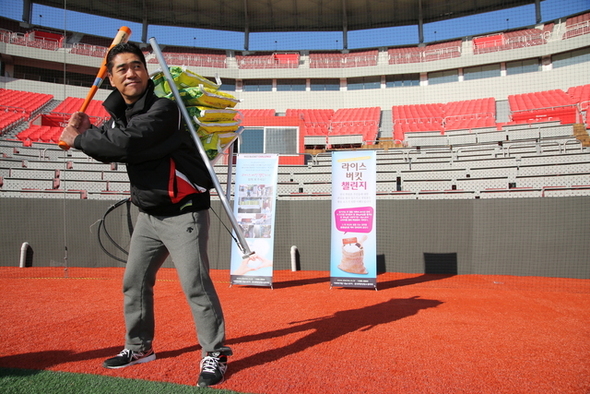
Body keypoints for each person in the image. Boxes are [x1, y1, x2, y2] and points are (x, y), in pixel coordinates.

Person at [59, 42, 232, 388]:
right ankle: (139, 348)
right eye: (121, 68)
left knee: (195, 285)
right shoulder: (121, 115)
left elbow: (124, 144)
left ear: (146, 71)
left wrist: (80, 138)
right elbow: (115, 138)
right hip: (149, 216)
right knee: (134, 282)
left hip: (184, 213)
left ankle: (214, 352)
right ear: (111, 78)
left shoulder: (165, 109)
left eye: (136, 65)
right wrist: (91, 131)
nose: (130, 73)